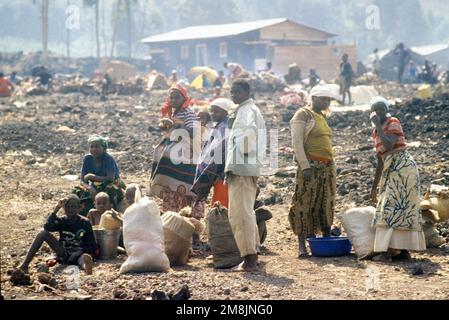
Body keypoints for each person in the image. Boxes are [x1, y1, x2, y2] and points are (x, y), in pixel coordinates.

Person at [369, 97, 425, 262]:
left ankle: (394, 252)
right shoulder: (375, 133)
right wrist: (374, 188)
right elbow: (381, 161)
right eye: (375, 109)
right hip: (390, 170)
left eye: (381, 109)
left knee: (401, 208)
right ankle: (397, 251)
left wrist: (378, 125)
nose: (378, 112)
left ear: (386, 110)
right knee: (393, 207)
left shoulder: (393, 122)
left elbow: (390, 146)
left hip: (404, 169)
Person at [289, 85, 336, 258]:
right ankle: (302, 245)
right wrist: (305, 166)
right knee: (304, 203)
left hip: (327, 167)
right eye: (323, 98)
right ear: (313, 98)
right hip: (311, 167)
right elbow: (297, 143)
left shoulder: (322, 116)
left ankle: (326, 240)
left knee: (326, 202)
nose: (326, 102)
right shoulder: (303, 115)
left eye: (328, 99)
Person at [225, 79, 266, 272]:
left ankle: (250, 259)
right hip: (246, 167)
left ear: (246, 92)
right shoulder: (247, 110)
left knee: (240, 214)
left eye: (237, 92)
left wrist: (240, 150)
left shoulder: (246, 111)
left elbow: (248, 135)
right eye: (231, 92)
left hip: (242, 168)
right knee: (246, 211)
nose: (233, 95)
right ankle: (253, 252)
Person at [150, 84, 201, 215]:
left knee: (167, 159)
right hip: (175, 143)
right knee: (159, 152)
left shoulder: (188, 112)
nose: (173, 101)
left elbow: (194, 130)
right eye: (171, 98)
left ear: (184, 98)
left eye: (177, 98)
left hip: (185, 147)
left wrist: (177, 127)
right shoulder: (173, 112)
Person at [18, 195, 96, 275]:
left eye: (73, 207)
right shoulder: (61, 220)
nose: (70, 209)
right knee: (42, 233)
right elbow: (47, 227)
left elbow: (92, 245)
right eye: (67, 206)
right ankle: (24, 265)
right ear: (63, 208)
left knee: (83, 259)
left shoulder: (84, 222)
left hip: (78, 252)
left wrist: (78, 252)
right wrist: (56, 209)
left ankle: (87, 268)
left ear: (79, 208)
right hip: (63, 251)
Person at [192, 98, 235, 213]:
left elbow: (218, 150)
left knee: (221, 204)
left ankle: (220, 226)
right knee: (219, 200)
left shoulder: (224, 127)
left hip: (221, 171)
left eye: (217, 111)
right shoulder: (219, 125)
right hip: (217, 171)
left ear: (226, 112)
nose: (213, 114)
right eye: (212, 111)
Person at [74, 135, 125, 216]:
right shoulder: (87, 159)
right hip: (95, 185)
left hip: (112, 183)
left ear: (104, 148)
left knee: (109, 191)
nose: (94, 149)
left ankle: (112, 216)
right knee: (77, 191)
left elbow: (110, 178)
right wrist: (90, 188)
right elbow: (82, 180)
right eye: (92, 147)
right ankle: (83, 217)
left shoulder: (108, 158)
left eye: (97, 147)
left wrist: (92, 177)